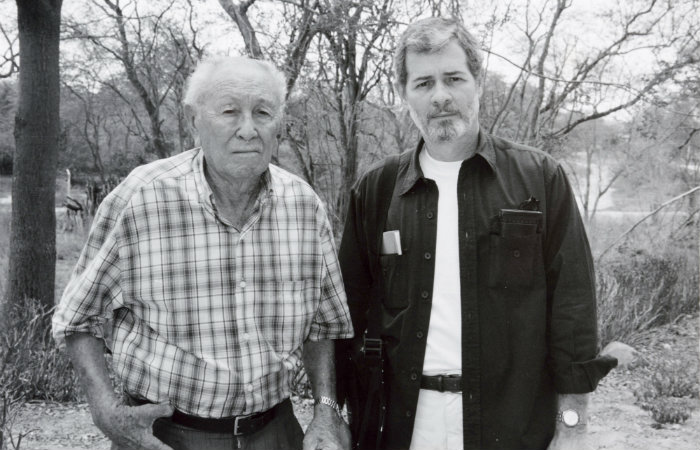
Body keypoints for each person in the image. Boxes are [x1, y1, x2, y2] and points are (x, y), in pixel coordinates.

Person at [337, 17, 621, 450]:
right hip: (404, 426)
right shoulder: (377, 191)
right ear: (404, 95)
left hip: (512, 424)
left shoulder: (539, 178)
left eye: (454, 78)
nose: (441, 96)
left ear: (478, 83)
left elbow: (573, 308)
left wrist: (573, 423)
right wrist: (338, 411)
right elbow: (348, 313)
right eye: (424, 83)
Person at [53, 56, 353, 450]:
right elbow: (78, 319)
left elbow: (323, 325)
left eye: (262, 112)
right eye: (230, 112)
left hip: (276, 433)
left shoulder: (304, 207)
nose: (248, 130)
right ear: (196, 121)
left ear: (279, 123)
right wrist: (106, 412)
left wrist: (326, 409)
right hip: (167, 435)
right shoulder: (142, 197)